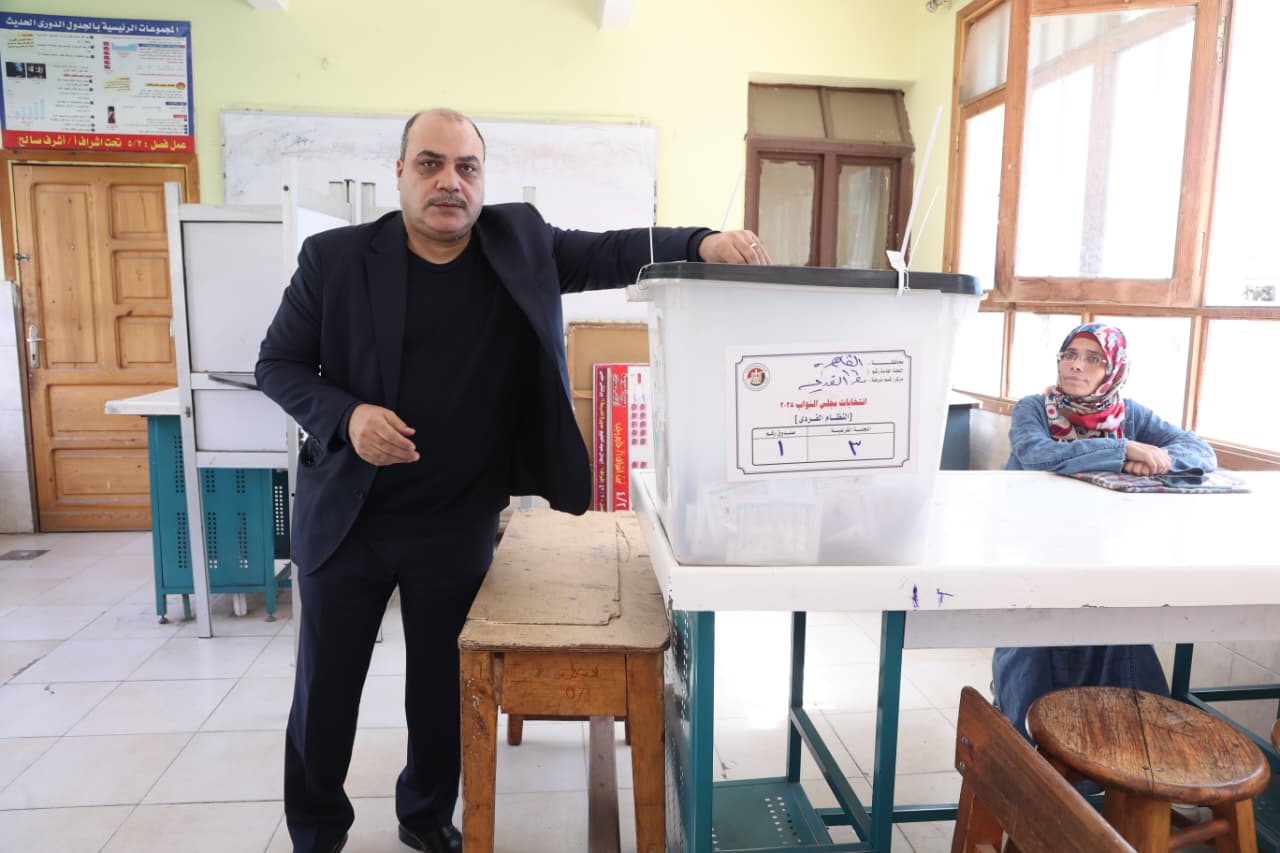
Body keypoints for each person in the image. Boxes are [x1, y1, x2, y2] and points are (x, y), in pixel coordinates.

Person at [256, 107, 771, 853]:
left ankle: (425, 816)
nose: (449, 181)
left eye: (466, 167)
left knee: (443, 689)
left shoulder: (519, 242)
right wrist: (347, 415)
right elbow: (277, 364)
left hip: (456, 518)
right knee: (325, 691)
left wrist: (702, 242)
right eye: (430, 163)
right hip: (349, 517)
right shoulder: (334, 259)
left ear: (482, 179)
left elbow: (612, 250)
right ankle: (315, 832)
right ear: (399, 174)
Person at [992, 322, 1217, 740]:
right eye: (1070, 354)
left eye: (1093, 358)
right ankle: (1030, 753)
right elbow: (1039, 454)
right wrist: (1122, 450)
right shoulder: (1034, 409)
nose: (1077, 365)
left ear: (1114, 369)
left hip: (1104, 555)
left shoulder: (1129, 414)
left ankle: (1123, 754)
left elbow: (1200, 452)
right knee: (1034, 649)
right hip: (1033, 555)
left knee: (1117, 642)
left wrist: (1157, 459)